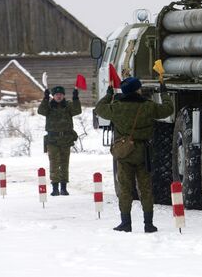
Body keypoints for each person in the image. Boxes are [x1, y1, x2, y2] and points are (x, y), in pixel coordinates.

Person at [94, 77, 173, 233]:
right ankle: (148, 224)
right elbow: (168, 109)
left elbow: (99, 108)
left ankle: (126, 223)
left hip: (125, 153)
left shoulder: (117, 107)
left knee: (125, 189)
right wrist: (164, 92)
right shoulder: (148, 106)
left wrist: (109, 93)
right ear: (138, 90)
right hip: (143, 153)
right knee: (145, 189)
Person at [37, 86, 81, 196]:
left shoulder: (68, 105)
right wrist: (45, 98)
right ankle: (55, 188)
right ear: (53, 95)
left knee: (64, 163)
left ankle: (64, 188)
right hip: (52, 140)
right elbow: (41, 111)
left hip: (65, 139)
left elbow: (77, 110)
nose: (59, 96)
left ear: (64, 95)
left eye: (61, 94)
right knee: (54, 164)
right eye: (56, 94)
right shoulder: (49, 106)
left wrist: (75, 98)